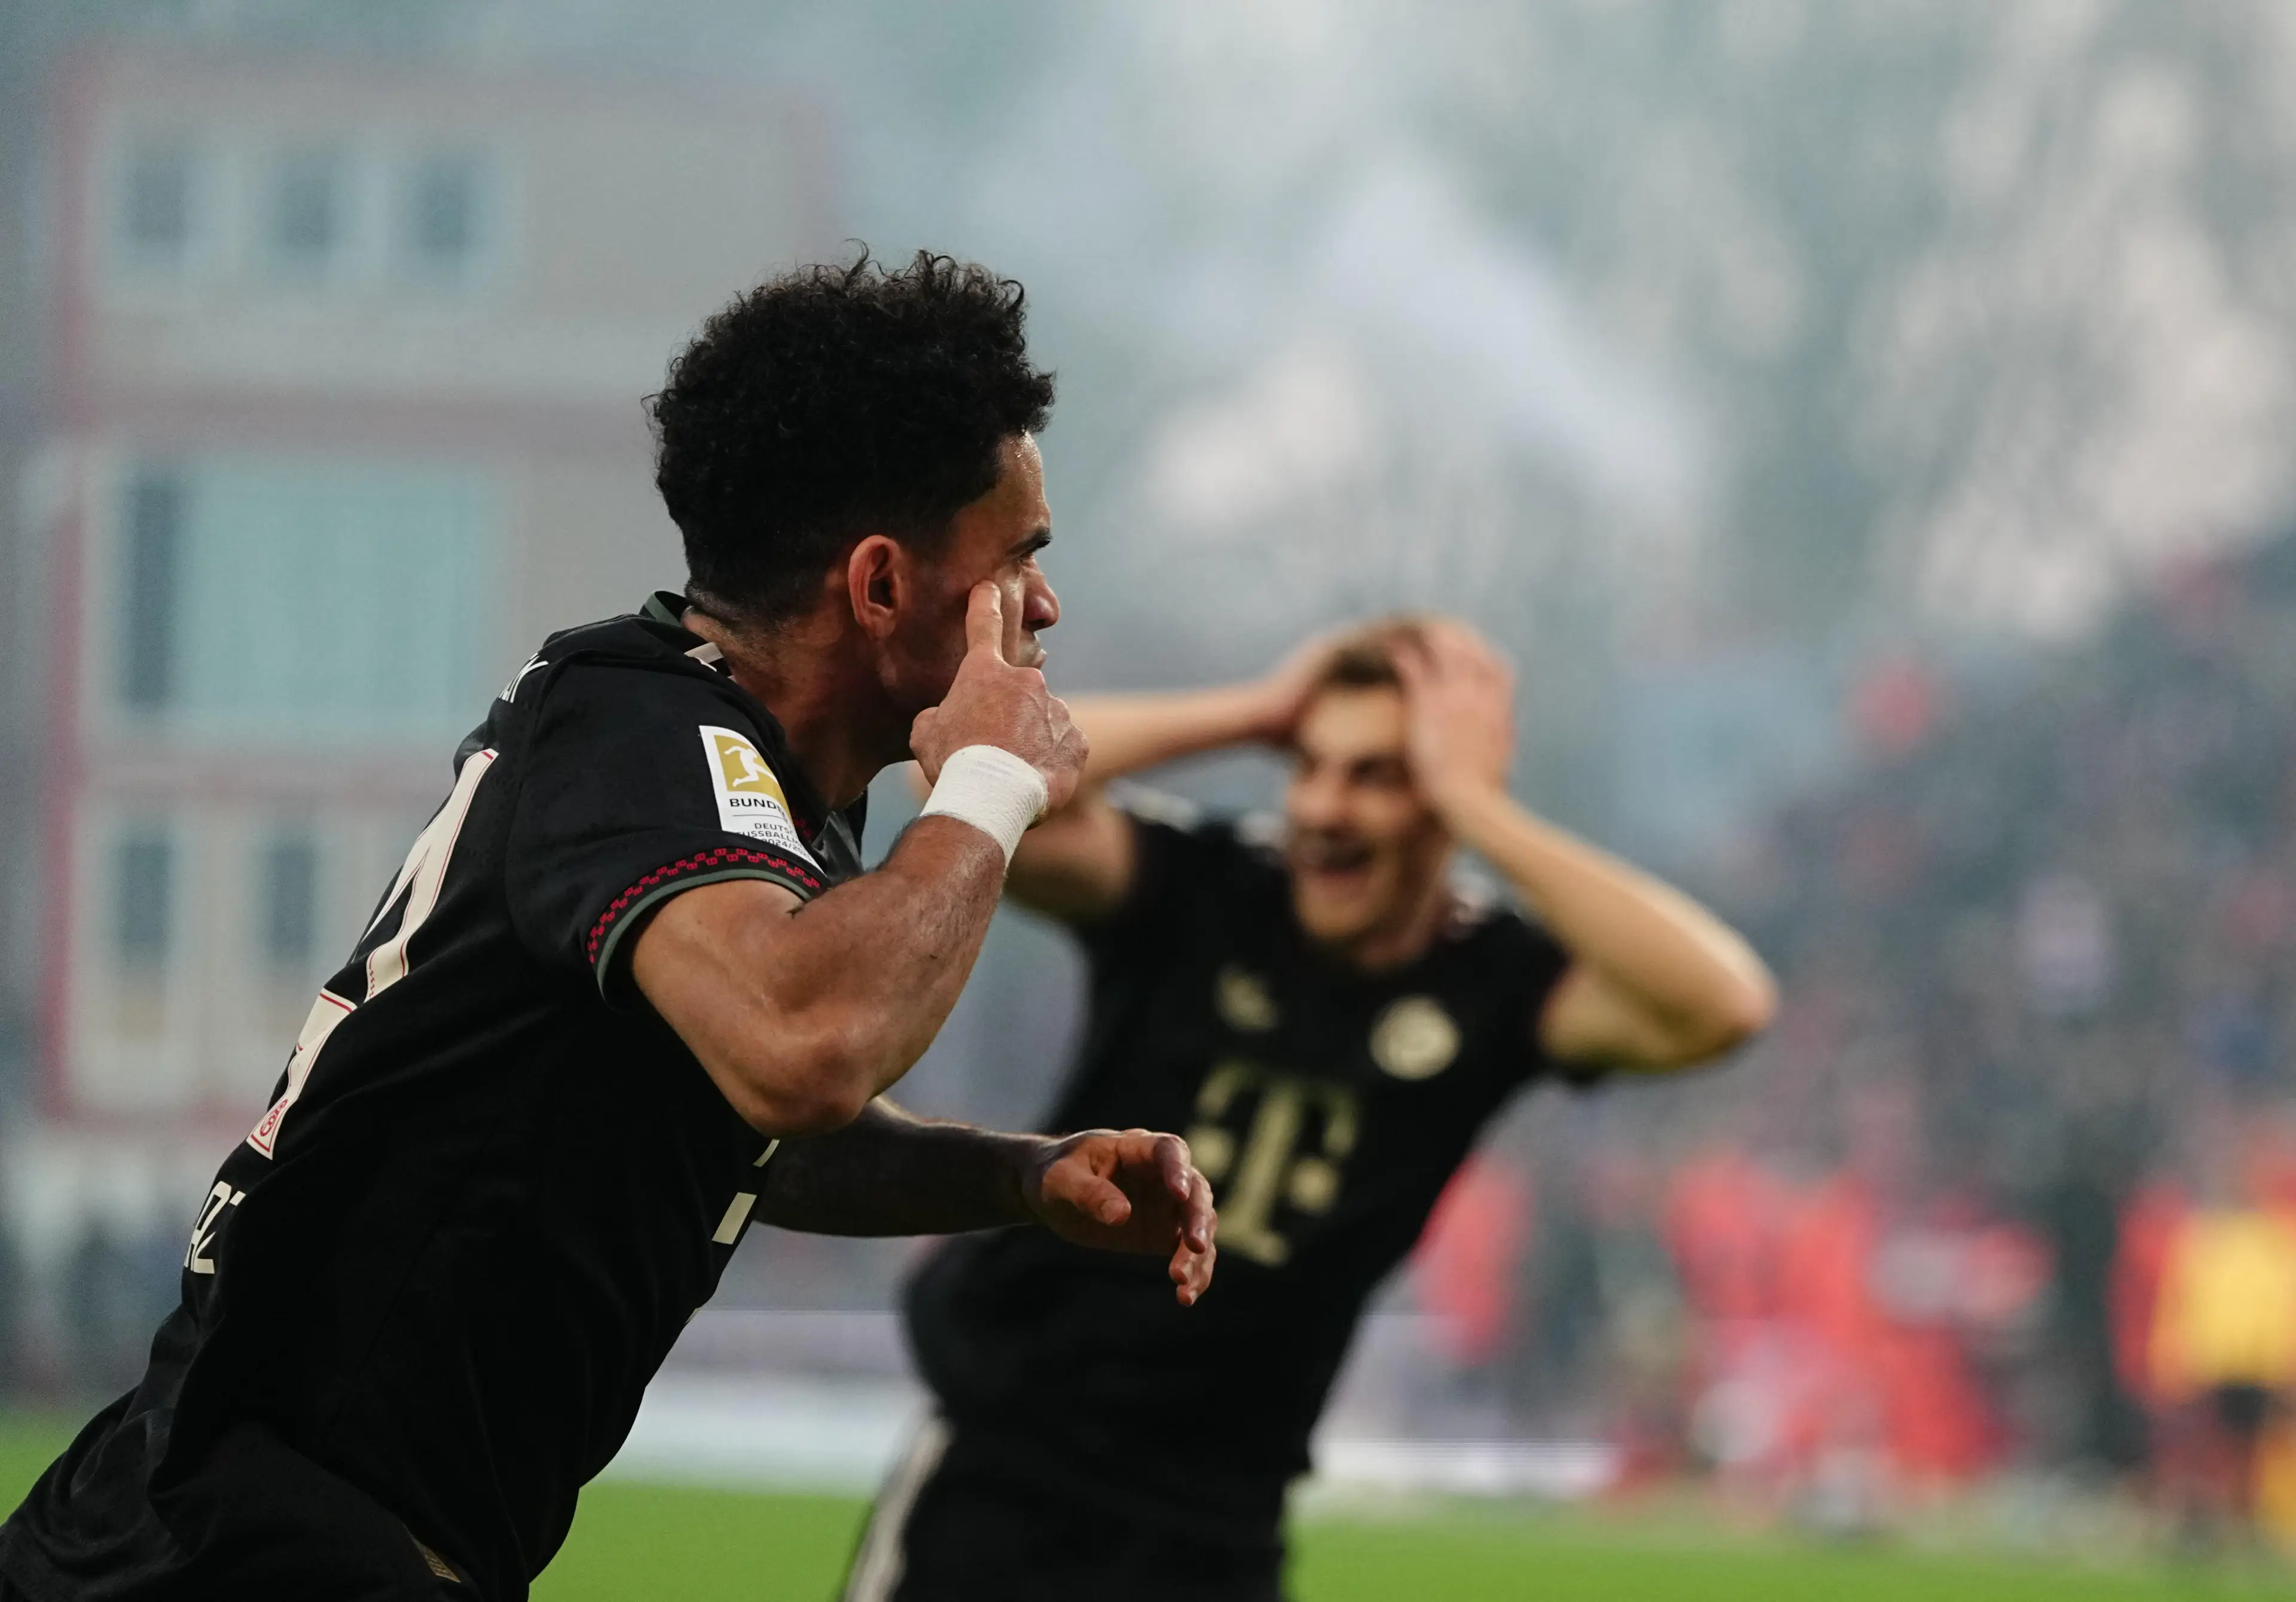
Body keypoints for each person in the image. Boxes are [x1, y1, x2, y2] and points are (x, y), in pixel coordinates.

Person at [0, 253, 1215, 1602]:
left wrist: (1014, 1178)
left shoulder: (761, 800)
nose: (1044, 608)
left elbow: (748, 1133)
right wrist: (988, 782)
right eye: (1021, 561)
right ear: (879, 586)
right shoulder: (641, 728)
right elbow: (801, 1050)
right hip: (246, 1536)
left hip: (286, 1528)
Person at [852, 620, 1778, 1602]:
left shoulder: (1488, 981)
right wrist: (1257, 710)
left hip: (1221, 1523)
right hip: (1008, 1471)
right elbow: (969, 783)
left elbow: (1721, 1002)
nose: (1328, 807)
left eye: (1379, 774)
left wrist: (1477, 802)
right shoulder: (1204, 888)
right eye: (1312, 766)